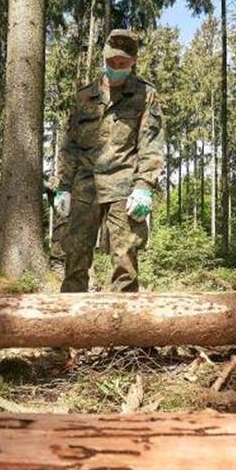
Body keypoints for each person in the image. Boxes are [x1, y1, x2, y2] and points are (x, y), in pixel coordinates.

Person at [52, 29, 164, 293]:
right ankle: (68, 322)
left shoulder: (145, 95)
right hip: (84, 187)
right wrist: (63, 186)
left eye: (122, 63)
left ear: (133, 61)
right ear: (104, 57)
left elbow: (151, 143)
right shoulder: (85, 96)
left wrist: (144, 186)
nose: (116, 67)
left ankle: (122, 325)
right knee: (75, 256)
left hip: (125, 187)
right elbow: (69, 144)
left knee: (125, 260)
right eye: (111, 62)